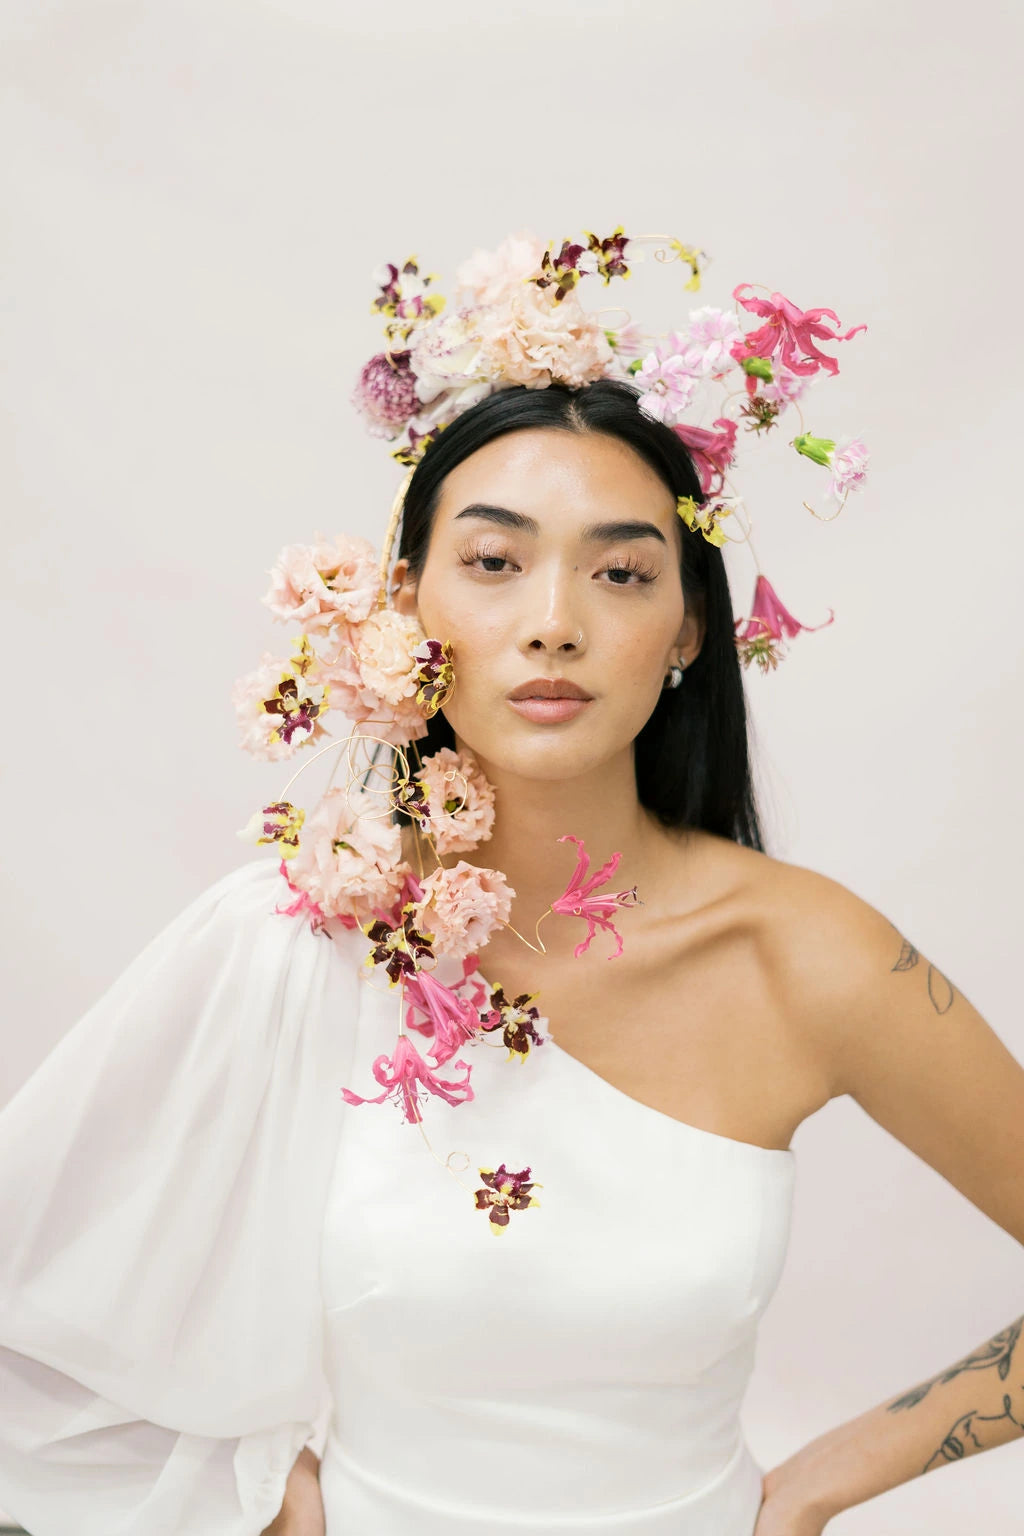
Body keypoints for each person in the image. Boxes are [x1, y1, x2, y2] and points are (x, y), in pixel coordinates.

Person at [2, 243, 1023, 1536]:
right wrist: (264, 1496)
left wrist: (817, 1485)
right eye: (493, 563)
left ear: (691, 627)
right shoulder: (300, 935)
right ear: (405, 603)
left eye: (621, 571)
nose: (554, 622)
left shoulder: (806, 954)